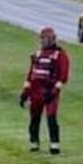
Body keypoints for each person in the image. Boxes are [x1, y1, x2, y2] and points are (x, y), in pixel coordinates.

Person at [19, 27, 70, 155]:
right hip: (36, 90)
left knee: (51, 116)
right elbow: (31, 74)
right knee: (34, 117)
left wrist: (54, 91)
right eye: (41, 38)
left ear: (52, 39)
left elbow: (63, 76)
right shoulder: (37, 54)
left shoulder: (60, 55)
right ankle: (34, 142)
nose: (42, 41)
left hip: (50, 90)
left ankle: (54, 144)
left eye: (45, 38)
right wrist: (25, 91)